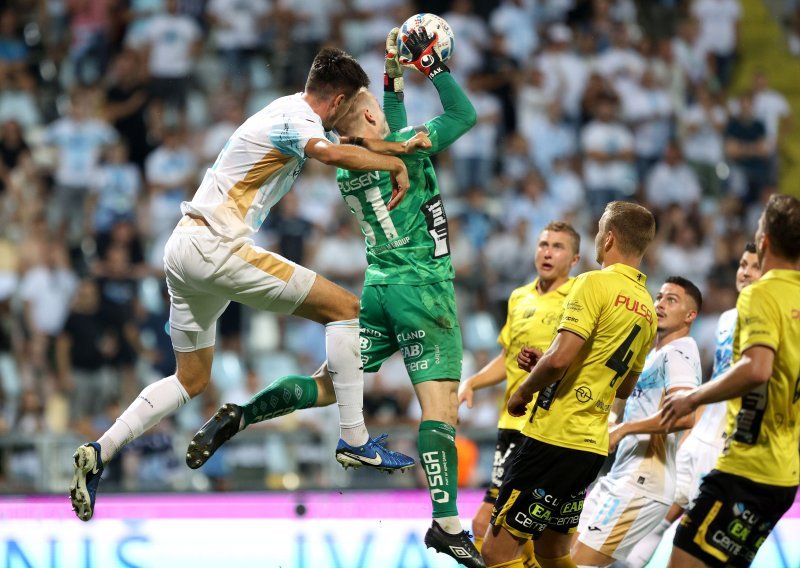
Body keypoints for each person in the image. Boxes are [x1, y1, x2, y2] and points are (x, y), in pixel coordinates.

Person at [69, 47, 423, 522]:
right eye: (352, 106)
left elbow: (343, 146)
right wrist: (395, 160)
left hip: (183, 248)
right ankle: (355, 440)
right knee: (346, 310)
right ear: (337, 99)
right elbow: (330, 154)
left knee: (191, 378)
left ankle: (99, 450)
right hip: (218, 246)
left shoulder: (288, 111)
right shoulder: (298, 119)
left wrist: (395, 147)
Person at [184, 27, 486, 568]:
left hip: (378, 291)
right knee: (439, 410)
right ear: (368, 115)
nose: (386, 106)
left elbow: (380, 117)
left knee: (328, 383)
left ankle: (242, 415)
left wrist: (392, 72)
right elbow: (464, 116)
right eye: (376, 103)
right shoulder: (409, 145)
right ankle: (447, 523)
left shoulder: (352, 155)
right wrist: (432, 67)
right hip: (425, 290)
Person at [481, 201, 658, 568]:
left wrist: (523, 391)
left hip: (554, 437)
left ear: (608, 238)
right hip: (590, 448)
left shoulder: (593, 282)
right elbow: (624, 389)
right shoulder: (646, 307)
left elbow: (560, 358)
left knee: (496, 551)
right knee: (552, 551)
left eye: (597, 231)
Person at [661, 193, 800, 568]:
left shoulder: (761, 294)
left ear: (766, 240)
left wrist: (693, 398)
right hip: (785, 475)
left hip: (746, 467)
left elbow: (756, 369)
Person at [627, 243, 762, 566]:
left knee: (710, 549)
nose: (744, 271)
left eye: (754, 267)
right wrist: (691, 431)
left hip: (732, 454)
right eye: (742, 264)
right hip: (699, 441)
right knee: (653, 525)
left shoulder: (776, 322)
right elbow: (717, 380)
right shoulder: (727, 320)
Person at [457, 221, 581, 566]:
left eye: (558, 246)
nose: (547, 251)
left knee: (490, 523)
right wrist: (473, 383)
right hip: (510, 423)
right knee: (520, 535)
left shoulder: (577, 297)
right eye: (543, 244)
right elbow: (506, 356)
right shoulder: (519, 296)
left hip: (543, 425)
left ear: (575, 259)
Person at [572, 276, 704, 567]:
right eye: (659, 297)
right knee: (560, 556)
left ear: (690, 315)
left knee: (579, 563)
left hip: (643, 482)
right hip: (622, 474)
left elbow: (684, 415)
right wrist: (615, 418)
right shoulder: (655, 352)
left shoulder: (679, 351)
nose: (660, 304)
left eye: (672, 300)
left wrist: (623, 429)